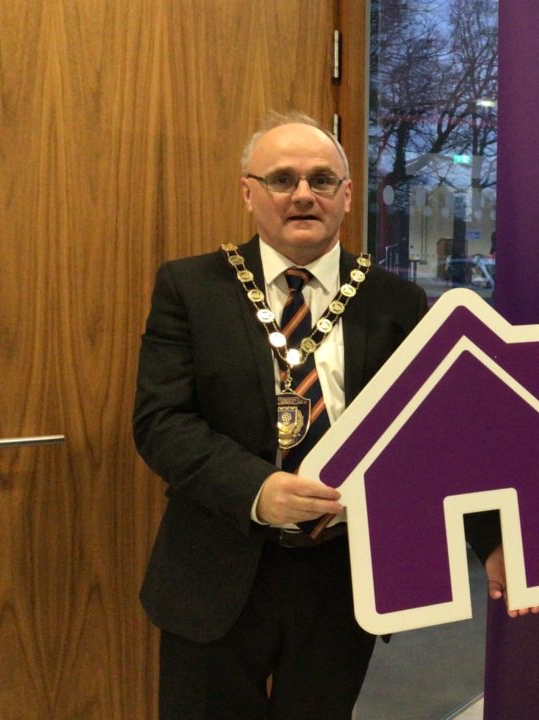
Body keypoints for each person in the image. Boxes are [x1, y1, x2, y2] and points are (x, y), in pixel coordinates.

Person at [133, 111, 428, 719]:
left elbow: (426, 434)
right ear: (248, 192)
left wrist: (492, 541)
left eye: (322, 180)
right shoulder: (191, 287)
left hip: (341, 574)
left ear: (347, 196)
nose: (303, 195)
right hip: (217, 564)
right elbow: (161, 422)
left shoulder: (396, 301)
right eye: (282, 179)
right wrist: (258, 489)